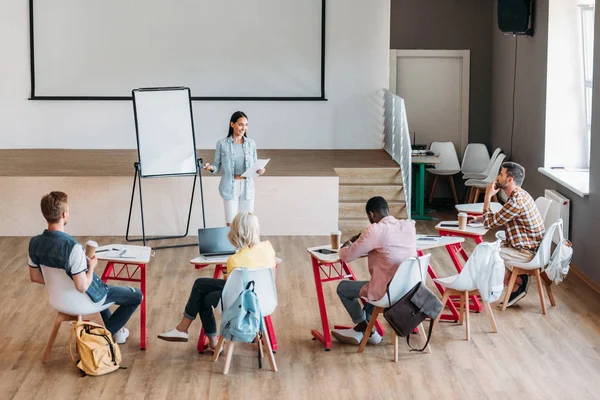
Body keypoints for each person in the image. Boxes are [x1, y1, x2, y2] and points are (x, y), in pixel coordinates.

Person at [28, 192, 142, 344]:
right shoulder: (72, 247)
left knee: (100, 290)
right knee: (136, 296)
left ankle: (117, 332)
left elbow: (35, 277)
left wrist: (62, 283)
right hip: (83, 298)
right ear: (64, 214)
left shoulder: (34, 243)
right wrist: (91, 267)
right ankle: (104, 337)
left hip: (58, 300)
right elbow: (82, 286)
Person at [157, 212, 276, 352]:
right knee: (200, 284)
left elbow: (231, 291)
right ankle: (185, 330)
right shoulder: (268, 247)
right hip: (265, 299)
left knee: (203, 295)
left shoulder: (235, 260)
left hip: (241, 303)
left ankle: (200, 336)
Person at [331, 196, 417, 345]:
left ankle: (365, 327)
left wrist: (346, 245)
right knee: (375, 283)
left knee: (343, 288)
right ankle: (363, 329)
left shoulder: (375, 230)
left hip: (387, 292)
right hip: (410, 289)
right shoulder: (409, 226)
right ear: (388, 210)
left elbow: (348, 256)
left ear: (371, 215)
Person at [469, 162, 545, 307]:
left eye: (501, 174)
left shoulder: (516, 201)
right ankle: (515, 282)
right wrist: (479, 218)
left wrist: (487, 196)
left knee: (486, 254)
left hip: (526, 252)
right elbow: (501, 216)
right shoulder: (520, 195)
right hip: (528, 246)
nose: (497, 177)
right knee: (488, 251)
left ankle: (516, 283)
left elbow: (490, 224)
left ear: (509, 180)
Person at [203, 111, 265, 226]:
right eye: (240, 124)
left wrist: (260, 170)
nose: (244, 128)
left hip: (248, 187)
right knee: (230, 224)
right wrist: (211, 168)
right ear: (232, 124)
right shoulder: (222, 144)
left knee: (246, 223)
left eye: (246, 125)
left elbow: (255, 165)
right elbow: (216, 166)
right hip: (229, 187)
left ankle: (244, 244)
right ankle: (232, 244)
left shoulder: (251, 144)